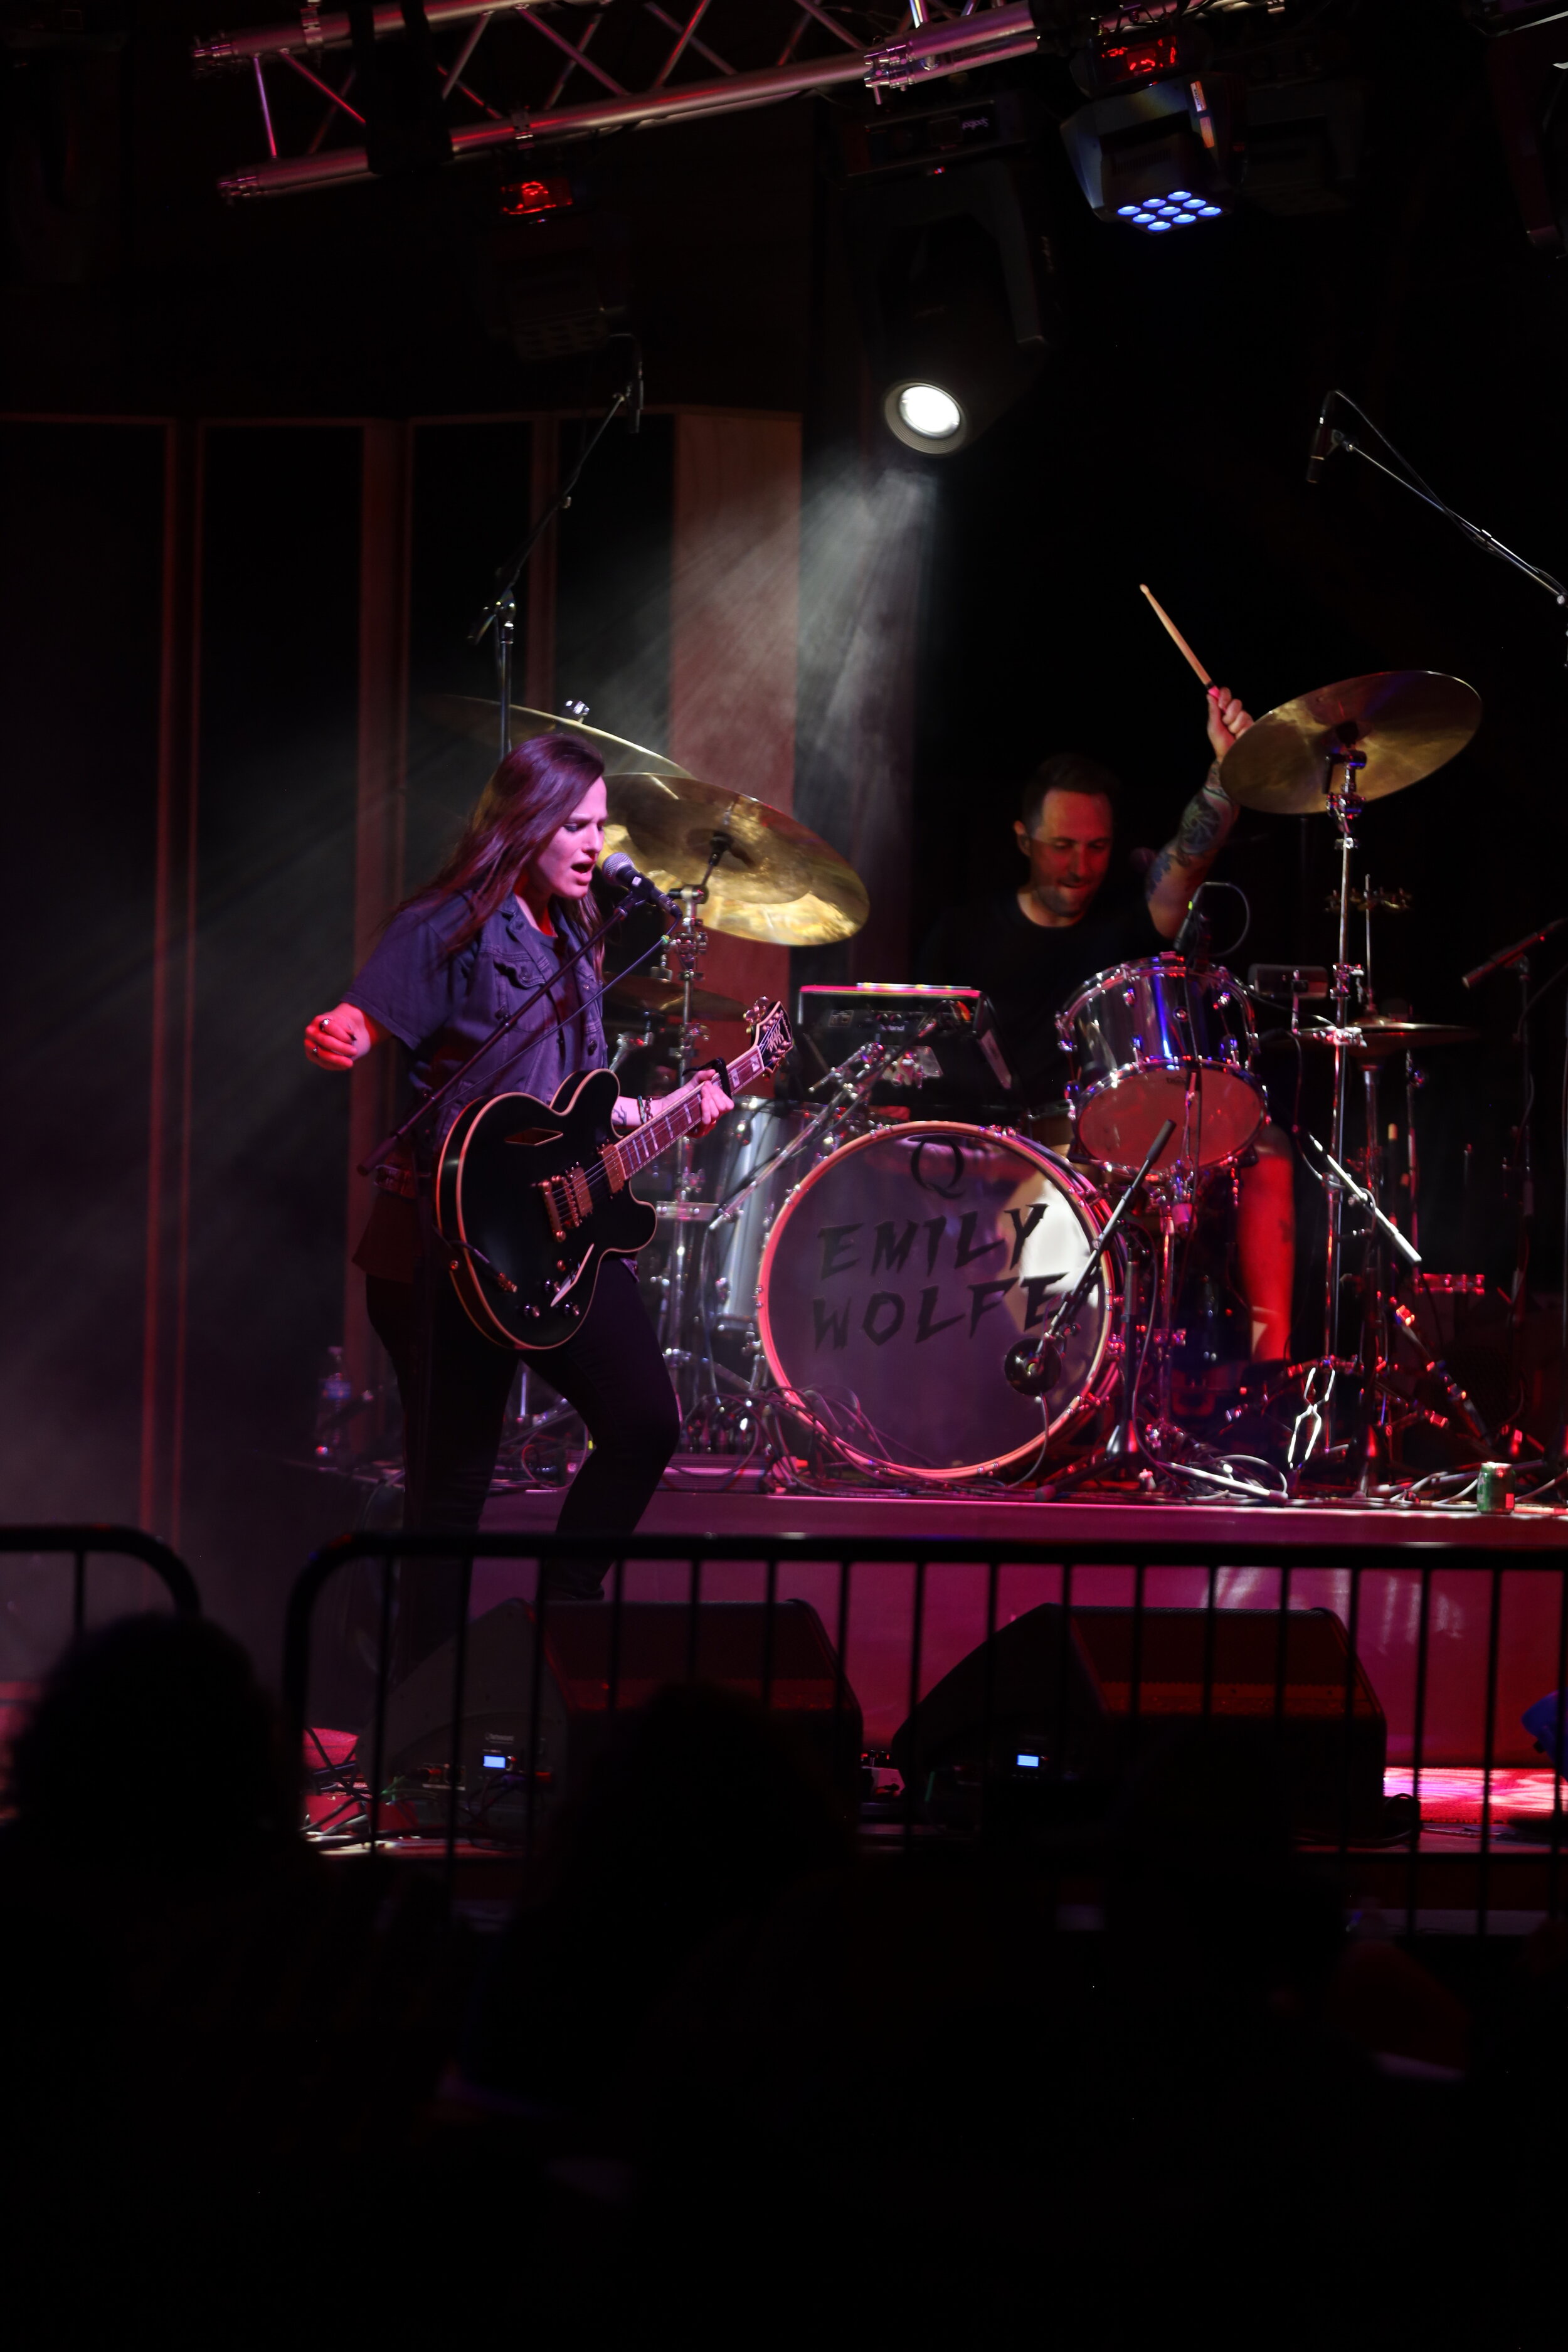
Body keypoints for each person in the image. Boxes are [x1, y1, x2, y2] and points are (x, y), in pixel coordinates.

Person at [303, 733, 731, 1598]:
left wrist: (664, 1111)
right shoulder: (449, 921)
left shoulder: (580, 935)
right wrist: (342, 1033)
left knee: (645, 1422)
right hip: (455, 1233)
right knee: (450, 1492)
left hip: (557, 1226)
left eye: (600, 825)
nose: (592, 845)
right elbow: (361, 1017)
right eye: (573, 824)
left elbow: (574, 1099)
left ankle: (559, 1620)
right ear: (523, 823)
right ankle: (422, 1715)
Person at [918, 687, 1294, 1361]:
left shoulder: (1127, 921)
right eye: (1062, 846)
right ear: (1022, 839)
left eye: (1097, 847)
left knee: (1265, 1145)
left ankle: (1275, 1368)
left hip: (1118, 1147)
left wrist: (1226, 771)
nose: (1081, 867)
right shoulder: (964, 933)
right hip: (998, 1145)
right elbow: (919, 1058)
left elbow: (1190, 856)